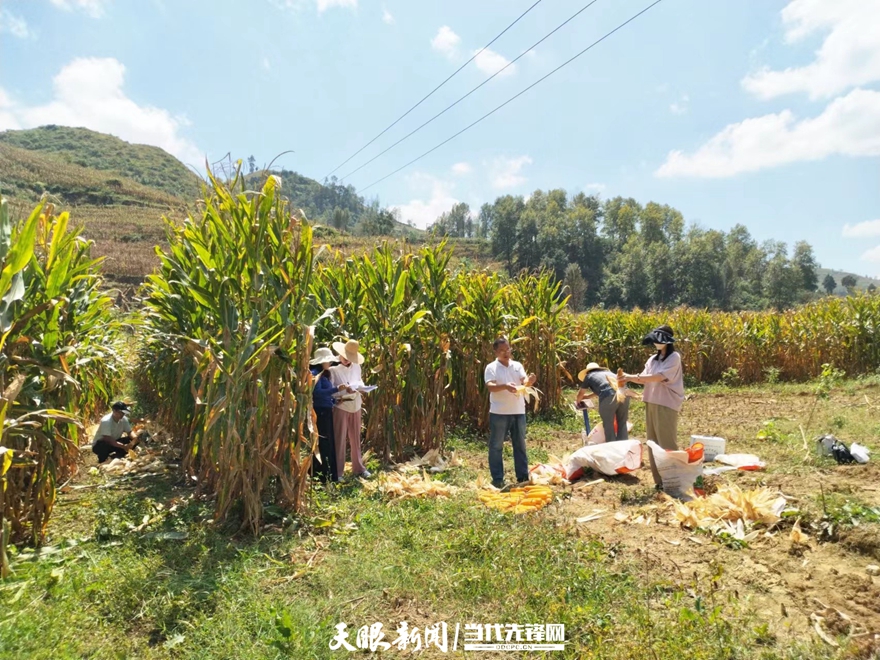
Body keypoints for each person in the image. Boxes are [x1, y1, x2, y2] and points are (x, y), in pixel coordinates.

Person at [623, 325, 685, 489]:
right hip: (651, 401)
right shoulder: (652, 359)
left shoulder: (674, 358)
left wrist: (631, 377)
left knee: (667, 442)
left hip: (666, 403)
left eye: (659, 341)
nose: (656, 344)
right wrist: (626, 379)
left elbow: (659, 377)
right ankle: (659, 481)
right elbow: (644, 378)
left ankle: (673, 480)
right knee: (652, 442)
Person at [484, 336, 537, 489]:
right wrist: (505, 386)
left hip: (518, 411)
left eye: (507, 349)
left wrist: (530, 381)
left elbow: (524, 381)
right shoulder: (491, 368)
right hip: (499, 412)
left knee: (520, 444)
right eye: (502, 350)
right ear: (495, 352)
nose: (506, 353)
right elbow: (490, 386)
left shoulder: (517, 365)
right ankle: (498, 479)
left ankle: (522, 477)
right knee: (496, 446)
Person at [329, 340, 372, 479]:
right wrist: (343, 390)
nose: (347, 360)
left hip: (356, 404)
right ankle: (338, 471)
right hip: (341, 406)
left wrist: (362, 388)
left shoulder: (356, 366)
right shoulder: (333, 369)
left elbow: (359, 381)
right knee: (339, 439)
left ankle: (359, 468)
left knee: (355, 438)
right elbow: (331, 390)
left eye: (350, 358)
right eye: (345, 357)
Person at [577, 362, 630, 443]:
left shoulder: (589, 376)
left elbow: (581, 393)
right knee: (622, 422)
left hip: (608, 397)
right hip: (624, 394)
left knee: (608, 424)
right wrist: (588, 397)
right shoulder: (609, 373)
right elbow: (604, 387)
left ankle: (612, 447)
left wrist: (578, 401)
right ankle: (623, 447)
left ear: (587, 371)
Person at [310, 346, 339, 484]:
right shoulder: (315, 374)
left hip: (326, 410)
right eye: (328, 361)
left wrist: (334, 400)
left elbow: (325, 394)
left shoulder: (323, 373)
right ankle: (321, 475)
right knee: (323, 443)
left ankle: (329, 474)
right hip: (320, 412)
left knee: (328, 443)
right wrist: (337, 389)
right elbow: (317, 393)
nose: (330, 363)